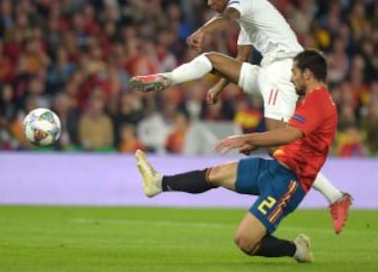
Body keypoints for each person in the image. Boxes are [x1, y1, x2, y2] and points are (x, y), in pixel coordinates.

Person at [130, 0, 351, 233]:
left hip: (284, 70)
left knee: (278, 145)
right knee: (211, 59)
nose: (210, 2)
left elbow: (228, 16)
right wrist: (221, 86)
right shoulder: (248, 21)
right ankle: (165, 79)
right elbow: (242, 61)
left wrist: (202, 30)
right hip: (267, 72)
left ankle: (336, 197)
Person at [134, 50, 338, 263]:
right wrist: (252, 142)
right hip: (276, 168)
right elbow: (293, 137)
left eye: (294, 72)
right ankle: (158, 183)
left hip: (289, 182)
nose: (290, 77)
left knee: (245, 241)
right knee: (216, 174)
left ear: (307, 74)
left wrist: (247, 138)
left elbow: (289, 134)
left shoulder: (318, 102)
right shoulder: (312, 100)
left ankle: (297, 250)